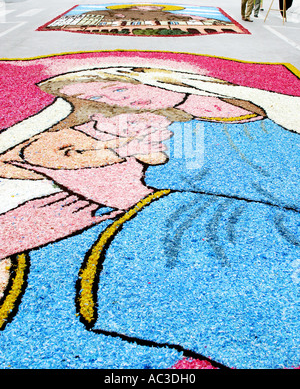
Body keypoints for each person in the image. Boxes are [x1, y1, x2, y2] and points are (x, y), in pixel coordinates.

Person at [0, 65, 300, 369]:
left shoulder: (201, 130)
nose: (125, 99)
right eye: (94, 97)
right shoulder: (127, 139)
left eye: (117, 88)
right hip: (151, 225)